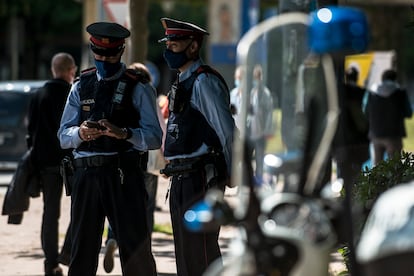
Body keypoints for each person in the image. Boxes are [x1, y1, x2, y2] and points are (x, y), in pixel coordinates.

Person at [57, 22, 162, 276]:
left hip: (123, 175)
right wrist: (80, 133)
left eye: (110, 54)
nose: (104, 59)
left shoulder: (138, 86)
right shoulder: (81, 84)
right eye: (99, 54)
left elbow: (154, 138)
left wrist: (123, 133)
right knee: (82, 253)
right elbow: (63, 135)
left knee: (136, 252)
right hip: (86, 176)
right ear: (93, 51)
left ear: (121, 51)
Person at [158, 17, 235, 276]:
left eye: (175, 44)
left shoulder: (204, 81)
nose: (169, 50)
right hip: (181, 177)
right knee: (185, 251)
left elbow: (226, 131)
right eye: (168, 44)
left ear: (193, 47)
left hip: (202, 177)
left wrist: (233, 171)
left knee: (201, 250)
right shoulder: (182, 80)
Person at [102, 62, 167, 273]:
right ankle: (143, 244)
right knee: (144, 207)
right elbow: (160, 129)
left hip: (125, 159)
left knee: (118, 205)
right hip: (149, 160)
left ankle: (113, 237)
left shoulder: (121, 97)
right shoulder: (148, 95)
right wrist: (166, 156)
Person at [27, 52, 77, 276]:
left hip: (46, 163)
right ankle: (67, 253)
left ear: (52, 70)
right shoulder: (72, 94)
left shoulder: (39, 95)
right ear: (71, 71)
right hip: (73, 162)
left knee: (50, 213)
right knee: (80, 209)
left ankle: (50, 263)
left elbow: (31, 132)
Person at [363, 69, 412, 166]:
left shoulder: (371, 93)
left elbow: (365, 111)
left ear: (382, 79)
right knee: (394, 167)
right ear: (395, 79)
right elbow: (408, 113)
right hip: (394, 135)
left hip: (375, 134)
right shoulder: (400, 93)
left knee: (376, 168)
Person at [248, 64, 274, 178]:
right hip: (251, 131)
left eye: (259, 77)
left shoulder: (266, 94)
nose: (257, 80)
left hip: (261, 132)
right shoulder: (251, 92)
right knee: (248, 159)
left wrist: (267, 130)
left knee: (259, 158)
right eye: (255, 77)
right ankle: (250, 182)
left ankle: (258, 179)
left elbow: (269, 113)